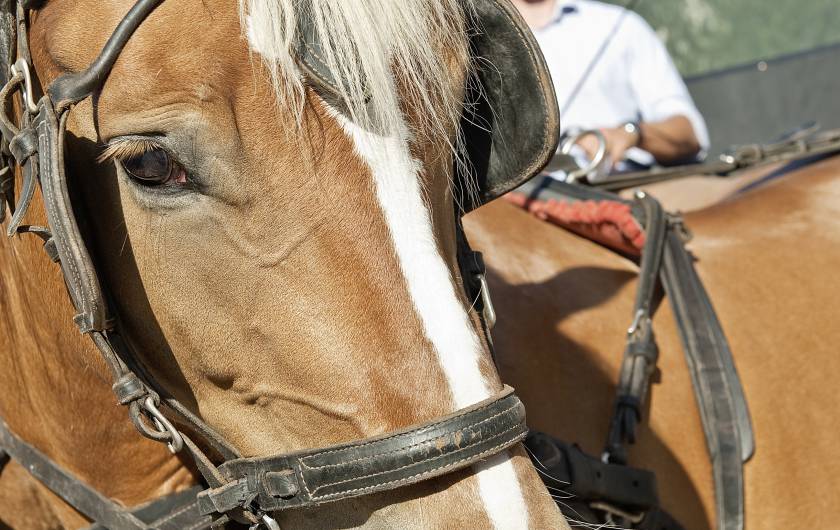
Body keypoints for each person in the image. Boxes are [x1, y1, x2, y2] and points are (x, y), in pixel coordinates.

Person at [511, 0, 710, 174]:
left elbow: (689, 137)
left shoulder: (620, 25)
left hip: (618, 188)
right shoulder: (480, 43)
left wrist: (630, 134)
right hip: (515, 201)